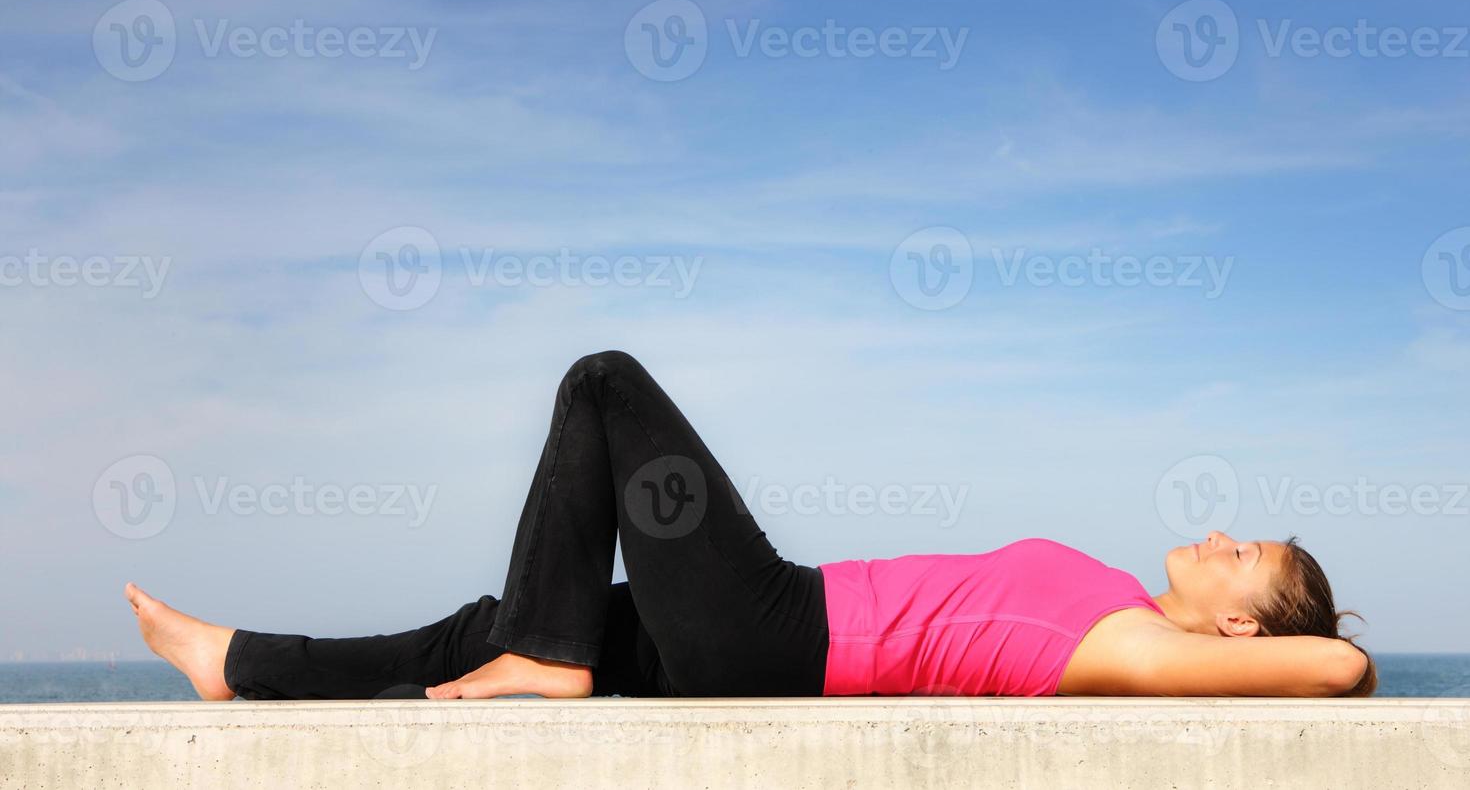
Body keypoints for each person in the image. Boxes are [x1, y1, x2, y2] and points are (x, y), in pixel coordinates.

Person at [125, 351, 1376, 701]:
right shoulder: (1116, 595)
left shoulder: (1138, 651)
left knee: (605, 385)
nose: (1218, 535)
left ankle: (550, 664)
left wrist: (1316, 652)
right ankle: (241, 664)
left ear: (1234, 621)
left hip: (778, 629)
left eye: (1242, 555)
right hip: (765, 626)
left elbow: (1339, 663)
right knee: (482, 627)